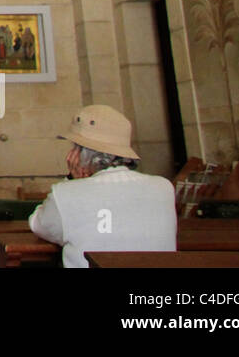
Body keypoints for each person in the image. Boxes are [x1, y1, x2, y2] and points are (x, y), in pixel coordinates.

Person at [29, 105, 176, 268]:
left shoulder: (66, 193)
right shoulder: (164, 188)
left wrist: (72, 180)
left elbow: (38, 224)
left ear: (79, 154)